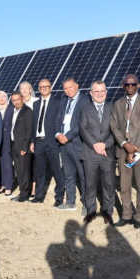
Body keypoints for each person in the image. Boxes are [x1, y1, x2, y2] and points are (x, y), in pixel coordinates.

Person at [110, 74, 140, 229]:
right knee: (124, 184)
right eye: (127, 84)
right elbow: (114, 126)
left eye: (133, 84)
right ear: (123, 86)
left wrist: (133, 147)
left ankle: (139, 217)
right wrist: (125, 144)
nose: (130, 87)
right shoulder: (118, 103)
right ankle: (126, 215)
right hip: (123, 149)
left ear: (138, 85)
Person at [79, 81, 115, 225]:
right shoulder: (85, 109)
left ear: (106, 92)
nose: (100, 94)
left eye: (102, 91)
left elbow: (116, 130)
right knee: (90, 185)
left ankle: (107, 212)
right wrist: (94, 144)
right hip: (90, 152)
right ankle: (91, 211)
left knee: (108, 184)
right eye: (96, 91)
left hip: (107, 153)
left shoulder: (112, 108)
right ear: (91, 93)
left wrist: (105, 144)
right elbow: (83, 129)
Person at [55, 78, 90, 211]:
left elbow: (82, 123)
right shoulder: (64, 100)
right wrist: (58, 134)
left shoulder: (85, 100)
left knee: (83, 175)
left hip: (77, 143)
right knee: (68, 174)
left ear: (77, 86)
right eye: (65, 88)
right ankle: (70, 202)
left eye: (70, 87)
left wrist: (68, 136)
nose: (68, 90)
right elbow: (58, 119)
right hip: (63, 144)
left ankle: (87, 204)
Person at [30, 79, 64, 206]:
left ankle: (59, 198)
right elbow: (34, 124)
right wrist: (32, 141)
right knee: (40, 171)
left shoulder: (57, 102)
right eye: (41, 87)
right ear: (38, 89)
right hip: (39, 142)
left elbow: (60, 121)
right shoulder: (36, 104)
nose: (43, 88)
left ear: (50, 88)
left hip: (52, 142)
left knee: (57, 171)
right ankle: (39, 196)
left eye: (46, 86)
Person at [9, 92, 33, 202]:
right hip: (14, 145)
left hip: (22, 147)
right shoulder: (14, 111)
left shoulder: (27, 111)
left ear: (22, 99)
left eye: (18, 99)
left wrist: (24, 147)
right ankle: (22, 192)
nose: (16, 102)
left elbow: (29, 131)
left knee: (24, 171)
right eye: (14, 100)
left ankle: (25, 195)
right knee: (19, 171)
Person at [0, 91, 14, 196]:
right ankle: (2, 184)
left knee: (7, 163)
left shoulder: (11, 109)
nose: (1, 99)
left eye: (3, 97)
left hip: (8, 140)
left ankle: (8, 186)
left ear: (7, 98)